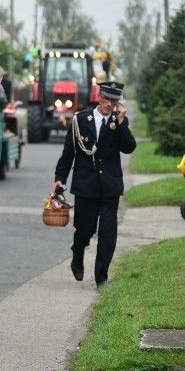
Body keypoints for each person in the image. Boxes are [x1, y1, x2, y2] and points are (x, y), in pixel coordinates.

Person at [53, 81, 136, 287]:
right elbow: (68, 153)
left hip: (110, 186)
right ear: (99, 97)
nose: (109, 104)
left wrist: (122, 122)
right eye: (106, 99)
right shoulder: (80, 120)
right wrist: (59, 180)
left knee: (108, 234)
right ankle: (77, 252)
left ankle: (101, 277)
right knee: (85, 229)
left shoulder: (117, 123)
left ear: (119, 102)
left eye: (114, 100)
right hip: (86, 186)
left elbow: (129, 148)